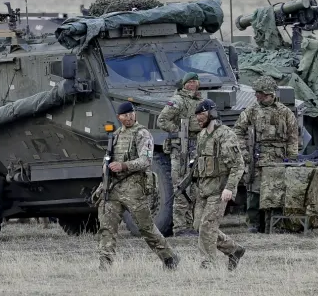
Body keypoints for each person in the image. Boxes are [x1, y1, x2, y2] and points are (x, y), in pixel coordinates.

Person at [95, 101, 179, 271]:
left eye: (131, 114)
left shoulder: (142, 134)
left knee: (146, 228)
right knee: (107, 226)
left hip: (134, 187)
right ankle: (105, 265)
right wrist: (105, 173)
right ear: (119, 117)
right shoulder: (116, 136)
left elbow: (145, 160)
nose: (129, 117)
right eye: (125, 115)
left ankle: (169, 257)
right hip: (114, 188)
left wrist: (124, 166)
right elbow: (107, 160)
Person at [232, 76, 299, 232]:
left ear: (269, 93)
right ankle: (253, 224)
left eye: (260, 93)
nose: (257, 96)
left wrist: (292, 159)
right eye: (256, 93)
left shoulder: (285, 112)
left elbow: (293, 136)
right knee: (254, 191)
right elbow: (237, 131)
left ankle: (274, 225)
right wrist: (244, 152)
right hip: (257, 157)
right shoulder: (251, 111)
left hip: (278, 159)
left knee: (276, 192)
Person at [192, 99, 246, 270]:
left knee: (207, 226)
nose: (199, 118)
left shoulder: (225, 134)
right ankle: (234, 250)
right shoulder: (201, 136)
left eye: (202, 114)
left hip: (219, 189)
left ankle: (207, 265)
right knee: (198, 226)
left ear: (212, 113)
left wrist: (229, 188)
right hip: (203, 189)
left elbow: (238, 164)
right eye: (197, 115)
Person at [156, 71, 203, 236]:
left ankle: (190, 225)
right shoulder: (177, 101)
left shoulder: (200, 101)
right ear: (184, 84)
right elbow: (162, 120)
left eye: (195, 82)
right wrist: (179, 130)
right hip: (180, 149)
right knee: (181, 186)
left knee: (194, 188)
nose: (192, 85)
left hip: (195, 148)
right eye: (189, 82)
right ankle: (180, 227)